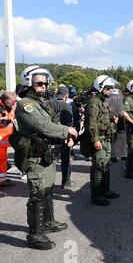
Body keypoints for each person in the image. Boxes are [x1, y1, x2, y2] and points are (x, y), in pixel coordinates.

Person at [15, 66, 78, 250]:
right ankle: (35, 234)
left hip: (47, 155)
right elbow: (43, 126)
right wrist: (67, 131)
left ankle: (48, 223)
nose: (44, 86)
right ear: (29, 83)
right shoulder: (26, 104)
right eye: (40, 83)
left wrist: (64, 136)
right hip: (35, 157)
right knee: (38, 195)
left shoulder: (41, 103)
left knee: (48, 190)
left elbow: (52, 123)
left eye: (45, 83)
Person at [84, 75, 120, 206]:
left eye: (111, 88)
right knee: (98, 167)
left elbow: (102, 120)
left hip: (106, 138)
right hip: (99, 139)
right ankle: (97, 195)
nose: (110, 90)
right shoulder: (94, 102)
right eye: (108, 88)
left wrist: (112, 121)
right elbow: (91, 123)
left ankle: (105, 190)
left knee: (106, 166)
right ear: (100, 87)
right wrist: (95, 140)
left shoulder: (103, 101)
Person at [47, 86, 74, 189]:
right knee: (66, 160)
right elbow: (69, 124)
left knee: (50, 161)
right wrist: (70, 138)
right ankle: (65, 181)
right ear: (66, 96)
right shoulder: (67, 106)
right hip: (63, 136)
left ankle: (49, 184)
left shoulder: (48, 104)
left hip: (50, 136)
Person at [0, 92, 17, 197]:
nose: (14, 103)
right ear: (6, 101)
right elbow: (4, 122)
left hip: (2, 144)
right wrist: (13, 111)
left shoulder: (4, 107)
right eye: (13, 101)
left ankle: (2, 181)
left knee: (2, 163)